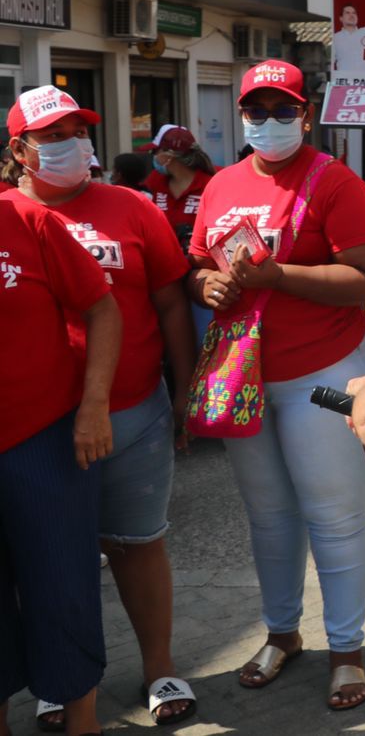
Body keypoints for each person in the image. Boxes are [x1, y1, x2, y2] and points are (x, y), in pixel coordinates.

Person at [187, 59, 365, 712]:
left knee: (333, 514)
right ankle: (282, 635)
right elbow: (197, 263)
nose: (269, 123)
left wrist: (284, 277)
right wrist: (206, 284)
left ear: (306, 114)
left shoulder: (334, 183)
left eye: (283, 111)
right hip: (245, 376)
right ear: (241, 115)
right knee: (268, 518)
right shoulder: (220, 184)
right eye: (256, 111)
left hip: (322, 369)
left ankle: (343, 648)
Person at [4, 87, 199, 730]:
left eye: (76, 130)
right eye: (53, 135)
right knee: (49, 562)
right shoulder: (12, 215)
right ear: (21, 150)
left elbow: (170, 301)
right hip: (41, 428)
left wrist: (183, 391)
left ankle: (158, 668)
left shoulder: (130, 206)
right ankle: (59, 683)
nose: (71, 144)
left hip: (130, 409)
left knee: (136, 543)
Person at [0, 181, 120, 736]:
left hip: (41, 438)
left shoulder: (29, 221)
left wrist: (94, 405)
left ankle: (82, 723)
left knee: (62, 585)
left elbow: (102, 308)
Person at [141, 124, 215, 247]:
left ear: (169, 155)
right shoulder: (155, 180)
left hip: (200, 261)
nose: (153, 157)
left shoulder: (210, 185)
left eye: (155, 152)